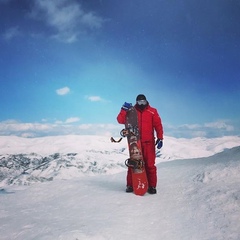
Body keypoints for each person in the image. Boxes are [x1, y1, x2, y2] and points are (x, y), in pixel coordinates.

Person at [117, 94, 163, 194]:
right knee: (133, 163)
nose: (142, 104)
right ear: (136, 102)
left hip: (148, 142)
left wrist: (160, 138)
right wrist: (124, 110)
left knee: (150, 165)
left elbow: (158, 125)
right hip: (135, 142)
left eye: (143, 102)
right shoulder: (131, 111)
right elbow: (120, 120)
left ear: (146, 101)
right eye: (139, 102)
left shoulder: (152, 111)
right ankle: (130, 185)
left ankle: (152, 186)